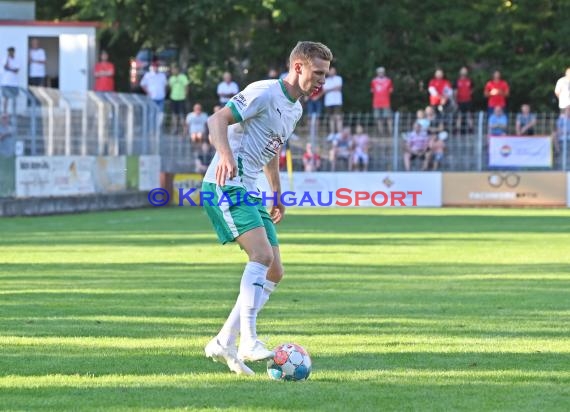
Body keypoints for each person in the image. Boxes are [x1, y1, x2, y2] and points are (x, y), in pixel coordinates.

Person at [202, 41, 333, 375]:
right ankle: (248, 340)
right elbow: (217, 120)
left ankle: (223, 341)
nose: (321, 81)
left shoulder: (296, 109)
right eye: (317, 73)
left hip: (251, 189)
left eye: (325, 75)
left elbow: (273, 148)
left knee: (275, 270)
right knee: (261, 257)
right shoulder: (264, 92)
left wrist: (277, 193)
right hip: (226, 184)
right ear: (298, 67)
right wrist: (226, 156)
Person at [371, 66, 393, 136]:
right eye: (379, 72)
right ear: (377, 73)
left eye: (382, 72)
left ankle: (391, 133)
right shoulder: (373, 81)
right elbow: (372, 90)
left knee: (388, 117)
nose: (381, 73)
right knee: (378, 118)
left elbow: (391, 90)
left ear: (384, 72)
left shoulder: (388, 81)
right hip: (376, 102)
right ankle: (381, 133)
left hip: (386, 102)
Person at [168, 66, 189, 134]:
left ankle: (184, 130)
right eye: (172, 70)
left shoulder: (183, 77)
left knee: (182, 115)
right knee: (174, 115)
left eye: (175, 70)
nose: (173, 71)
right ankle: (175, 129)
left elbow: (186, 86)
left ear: (177, 70)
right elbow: (170, 88)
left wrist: (185, 95)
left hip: (181, 98)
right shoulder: (171, 78)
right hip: (173, 98)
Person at [323, 66, 343, 136]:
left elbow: (339, 88)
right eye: (330, 71)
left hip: (337, 101)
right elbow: (324, 91)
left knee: (338, 117)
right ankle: (332, 133)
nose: (332, 72)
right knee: (331, 118)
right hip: (329, 102)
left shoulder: (339, 78)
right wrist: (334, 88)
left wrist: (329, 89)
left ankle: (339, 133)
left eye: (333, 70)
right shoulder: (325, 80)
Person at [454, 67, 473, 133]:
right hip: (459, 101)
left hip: (468, 100)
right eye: (462, 70)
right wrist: (456, 100)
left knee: (469, 114)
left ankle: (471, 129)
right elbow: (455, 91)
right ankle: (457, 129)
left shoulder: (469, 80)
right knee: (459, 115)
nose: (464, 72)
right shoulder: (457, 81)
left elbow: (471, 89)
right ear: (460, 72)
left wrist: (468, 95)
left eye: (465, 70)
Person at [1, 47, 20, 114]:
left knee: (14, 98)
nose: (10, 53)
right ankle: (5, 112)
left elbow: (17, 70)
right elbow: (5, 67)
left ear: (14, 52)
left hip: (14, 83)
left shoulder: (17, 60)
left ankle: (14, 112)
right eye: (9, 52)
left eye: (12, 51)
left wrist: (10, 69)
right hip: (6, 82)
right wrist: (7, 59)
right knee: (6, 98)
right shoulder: (5, 59)